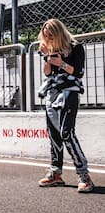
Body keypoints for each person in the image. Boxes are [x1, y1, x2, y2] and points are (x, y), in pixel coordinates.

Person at [37, 18, 94, 193]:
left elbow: (78, 72)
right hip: (52, 92)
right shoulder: (50, 49)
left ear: (59, 32)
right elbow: (47, 73)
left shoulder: (76, 47)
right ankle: (56, 172)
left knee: (66, 133)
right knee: (53, 134)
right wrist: (48, 58)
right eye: (46, 36)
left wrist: (61, 63)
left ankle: (84, 175)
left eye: (51, 36)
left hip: (70, 91)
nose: (49, 39)